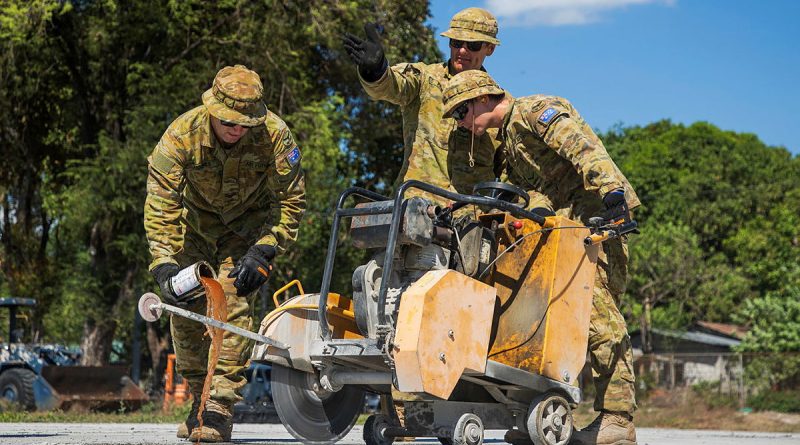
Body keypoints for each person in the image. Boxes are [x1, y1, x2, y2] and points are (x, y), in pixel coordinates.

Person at [442, 70, 640, 445]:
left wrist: (613, 192)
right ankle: (545, 415)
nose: (462, 122)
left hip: (596, 224)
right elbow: (540, 196)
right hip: (562, 234)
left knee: (597, 317)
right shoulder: (511, 146)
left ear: (483, 97)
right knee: (546, 322)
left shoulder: (534, 111)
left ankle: (618, 419)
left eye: (462, 111)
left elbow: (582, 148)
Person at [144, 65, 306, 442]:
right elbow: (160, 203)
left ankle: (218, 409)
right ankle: (198, 399)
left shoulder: (276, 136)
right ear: (212, 110)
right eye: (229, 121)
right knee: (184, 309)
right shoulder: (180, 135)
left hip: (247, 231)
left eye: (246, 122)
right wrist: (165, 263)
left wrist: (266, 248)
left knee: (231, 301)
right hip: (194, 228)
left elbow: (291, 200)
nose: (237, 129)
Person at [342, 7, 504, 201]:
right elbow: (392, 86)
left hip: (472, 218)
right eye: (456, 42)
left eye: (473, 45)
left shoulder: (499, 104)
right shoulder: (424, 79)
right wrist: (376, 70)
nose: (462, 50)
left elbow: (509, 171)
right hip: (415, 209)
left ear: (490, 49)